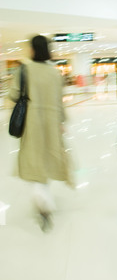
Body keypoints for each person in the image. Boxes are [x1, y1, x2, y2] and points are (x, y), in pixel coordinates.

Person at [9, 35, 74, 232]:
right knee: (47, 159)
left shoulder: (24, 70)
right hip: (51, 124)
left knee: (34, 160)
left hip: (32, 124)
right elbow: (59, 102)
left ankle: (43, 203)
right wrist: (62, 122)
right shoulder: (55, 73)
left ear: (32, 50)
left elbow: (13, 95)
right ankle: (45, 200)